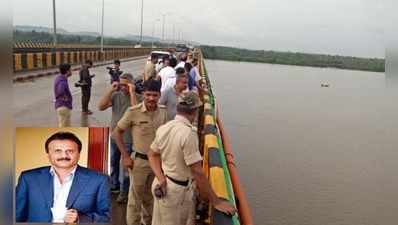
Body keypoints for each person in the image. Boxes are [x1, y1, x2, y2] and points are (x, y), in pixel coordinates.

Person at [148, 92, 237, 225]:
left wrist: (160, 177)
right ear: (195, 111)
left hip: (163, 184)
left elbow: (152, 154)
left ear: (178, 108)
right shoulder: (188, 134)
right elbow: (197, 171)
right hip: (176, 193)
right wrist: (216, 201)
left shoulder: (164, 128)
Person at [16, 131, 111, 223]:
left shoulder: (99, 180)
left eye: (70, 151)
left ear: (78, 154)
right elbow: (16, 215)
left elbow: (107, 217)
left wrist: (80, 219)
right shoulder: (28, 178)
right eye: (58, 151)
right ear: (48, 155)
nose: (64, 155)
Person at [112, 79, 168, 225]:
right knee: (135, 199)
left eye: (154, 95)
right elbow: (116, 133)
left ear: (159, 95)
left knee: (150, 197)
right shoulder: (133, 112)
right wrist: (125, 156)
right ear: (143, 94)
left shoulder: (163, 112)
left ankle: (147, 222)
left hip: (157, 163)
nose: (151, 98)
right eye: (148, 94)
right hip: (139, 162)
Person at [98, 73, 138, 203]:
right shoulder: (115, 96)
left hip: (128, 138)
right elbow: (101, 106)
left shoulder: (137, 97)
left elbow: (136, 112)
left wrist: (132, 92)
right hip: (115, 137)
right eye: (121, 85)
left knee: (125, 167)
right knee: (113, 163)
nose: (123, 88)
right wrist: (111, 89)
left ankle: (124, 192)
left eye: (125, 85)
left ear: (131, 84)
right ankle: (114, 186)